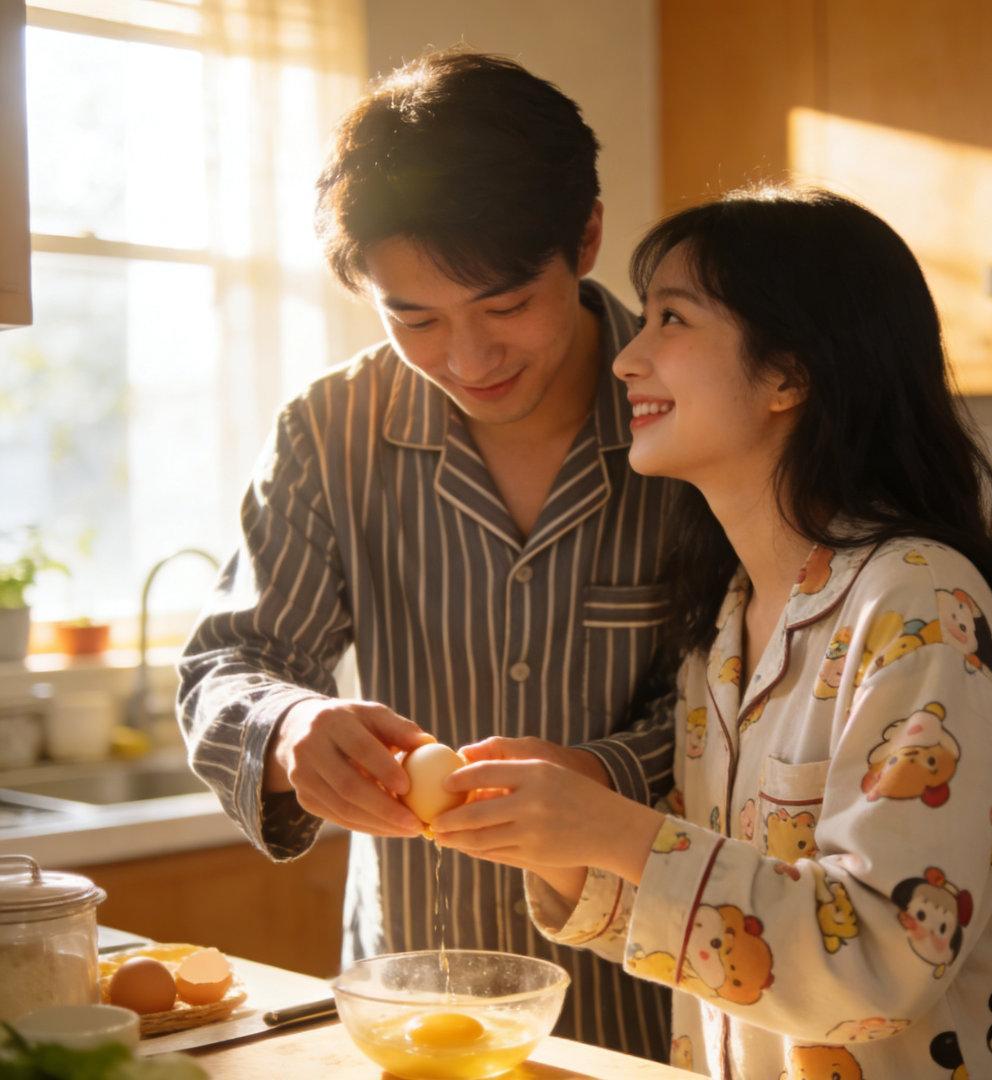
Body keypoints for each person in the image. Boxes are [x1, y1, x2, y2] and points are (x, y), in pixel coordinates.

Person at [431, 187, 992, 1078]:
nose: (627, 359)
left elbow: (881, 962)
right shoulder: (729, 623)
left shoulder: (918, 602)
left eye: (671, 320)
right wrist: (564, 842)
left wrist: (613, 830)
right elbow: (737, 935)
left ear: (788, 374)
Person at [177, 50, 679, 1059]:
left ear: (583, 238)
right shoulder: (330, 429)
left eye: (504, 305)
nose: (469, 359)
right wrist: (291, 727)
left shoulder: (693, 416)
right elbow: (226, 661)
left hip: (663, 999)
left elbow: (768, 704)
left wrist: (600, 777)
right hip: (416, 1003)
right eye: (415, 318)